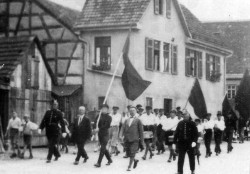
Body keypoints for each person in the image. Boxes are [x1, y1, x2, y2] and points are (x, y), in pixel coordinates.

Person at [120, 106, 144, 171]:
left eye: (133, 110)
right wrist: (120, 136)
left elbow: (141, 132)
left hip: (135, 139)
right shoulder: (126, 120)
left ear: (136, 111)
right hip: (127, 139)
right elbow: (122, 128)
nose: (132, 111)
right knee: (128, 153)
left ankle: (129, 166)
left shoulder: (138, 120)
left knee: (133, 153)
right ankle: (135, 160)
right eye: (130, 110)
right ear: (129, 112)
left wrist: (142, 142)